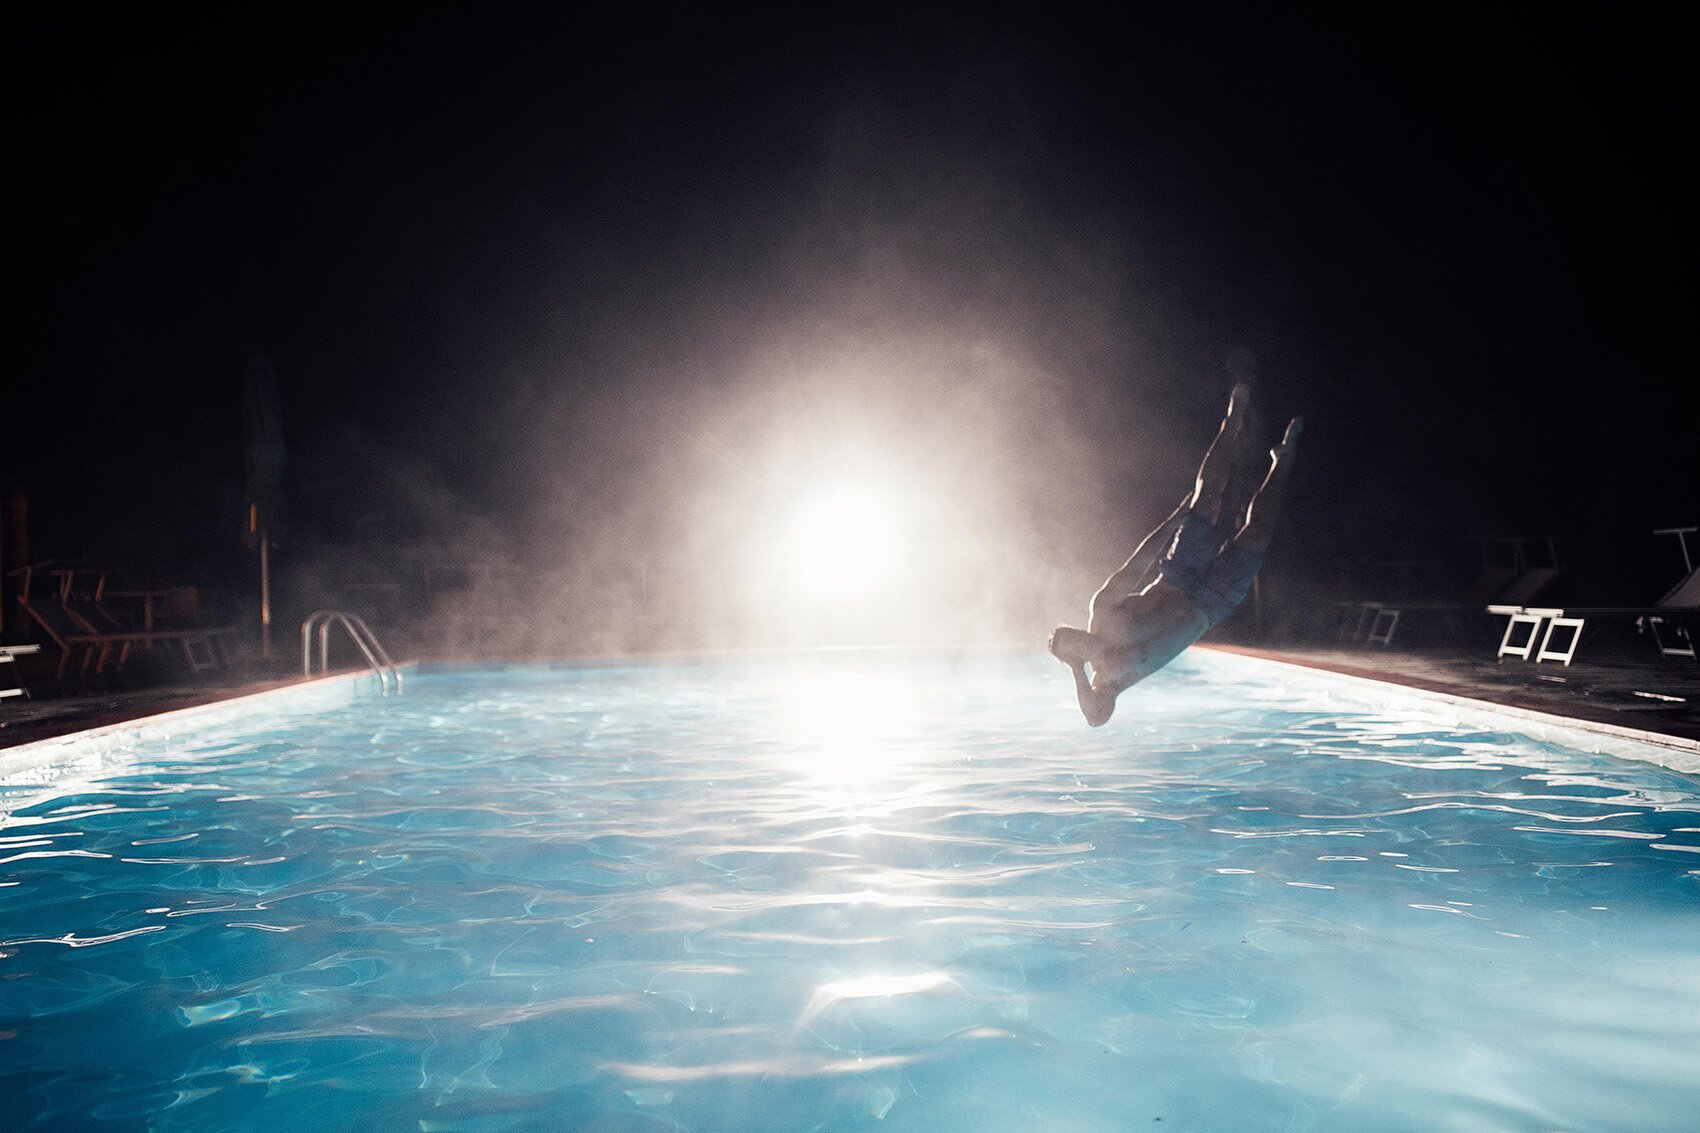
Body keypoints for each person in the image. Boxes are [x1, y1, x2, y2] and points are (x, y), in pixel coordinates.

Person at [1049, 382, 1302, 725]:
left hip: (1179, 574)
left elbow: (1137, 564)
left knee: (1205, 501)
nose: (1077, 640)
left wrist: (1173, 521)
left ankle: (1231, 423)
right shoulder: (1109, 678)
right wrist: (1077, 672)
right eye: (1072, 648)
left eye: (1070, 633)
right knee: (1257, 533)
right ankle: (1282, 460)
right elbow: (1096, 718)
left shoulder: (1103, 608)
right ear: (1074, 658)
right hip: (1212, 604)